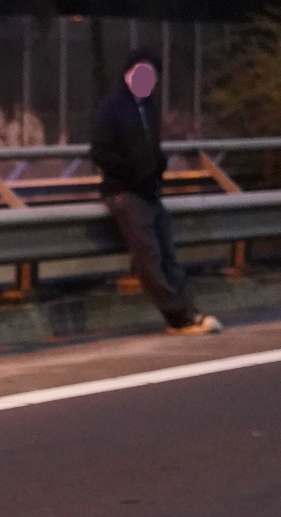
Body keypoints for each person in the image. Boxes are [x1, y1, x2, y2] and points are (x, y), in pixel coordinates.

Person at [90, 48, 222, 335]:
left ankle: (189, 312)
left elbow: (153, 146)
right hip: (124, 191)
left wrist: (156, 171)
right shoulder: (112, 107)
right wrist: (129, 173)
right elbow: (100, 151)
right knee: (148, 257)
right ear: (127, 73)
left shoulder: (149, 107)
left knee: (168, 255)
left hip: (149, 191)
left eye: (151, 75)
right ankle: (179, 317)